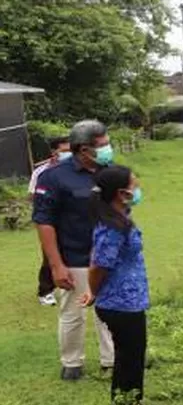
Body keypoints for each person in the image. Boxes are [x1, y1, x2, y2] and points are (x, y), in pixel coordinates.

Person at [32, 120, 115, 381]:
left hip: (107, 256)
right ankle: (72, 362)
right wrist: (56, 265)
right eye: (101, 146)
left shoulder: (108, 171)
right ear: (82, 150)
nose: (107, 149)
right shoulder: (54, 177)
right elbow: (43, 221)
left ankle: (111, 360)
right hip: (74, 258)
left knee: (110, 310)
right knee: (73, 313)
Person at [80, 166, 149, 405]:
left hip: (129, 299)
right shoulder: (112, 227)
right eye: (134, 182)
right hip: (120, 302)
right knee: (129, 355)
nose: (138, 185)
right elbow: (99, 265)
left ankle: (127, 404)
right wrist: (93, 292)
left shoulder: (119, 217)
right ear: (121, 193)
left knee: (131, 353)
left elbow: (95, 255)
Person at [28, 136, 72, 306]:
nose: (69, 154)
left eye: (70, 150)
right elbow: (32, 196)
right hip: (50, 221)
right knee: (50, 255)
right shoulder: (41, 172)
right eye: (65, 151)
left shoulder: (76, 169)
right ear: (54, 152)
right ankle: (45, 291)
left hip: (73, 219)